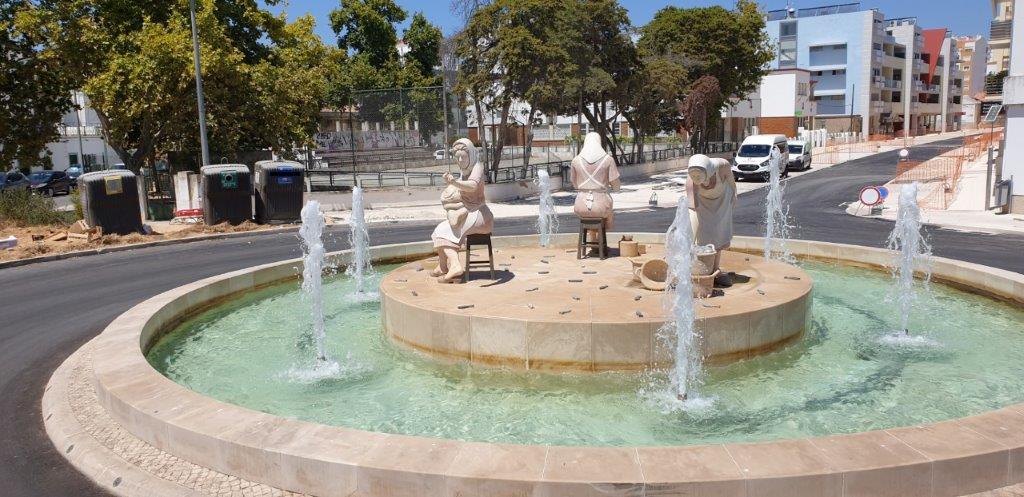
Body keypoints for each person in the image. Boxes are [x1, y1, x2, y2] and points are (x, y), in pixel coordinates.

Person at [430, 139, 494, 283]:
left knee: (444, 232)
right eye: (457, 157)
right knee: (438, 230)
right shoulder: (464, 170)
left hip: (480, 215)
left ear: (470, 154)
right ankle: (442, 266)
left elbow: (472, 186)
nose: (460, 160)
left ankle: (455, 266)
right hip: (469, 212)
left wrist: (453, 182)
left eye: (463, 157)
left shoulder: (477, 167)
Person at [686, 154, 737, 287]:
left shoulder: (722, 166)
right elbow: (692, 208)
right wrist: (689, 241)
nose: (696, 179)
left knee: (718, 232)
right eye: (693, 176)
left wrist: (734, 196)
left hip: (722, 199)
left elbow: (732, 182)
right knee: (700, 234)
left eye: (699, 176)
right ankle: (698, 268)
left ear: (707, 171)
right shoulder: (691, 181)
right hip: (702, 202)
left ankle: (715, 270)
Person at [570, 132, 621, 247]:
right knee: (607, 212)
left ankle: (592, 239)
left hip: (580, 206)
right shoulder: (608, 160)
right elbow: (616, 186)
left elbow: (574, 184)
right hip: (602, 206)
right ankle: (599, 240)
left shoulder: (575, 160)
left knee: (589, 214)